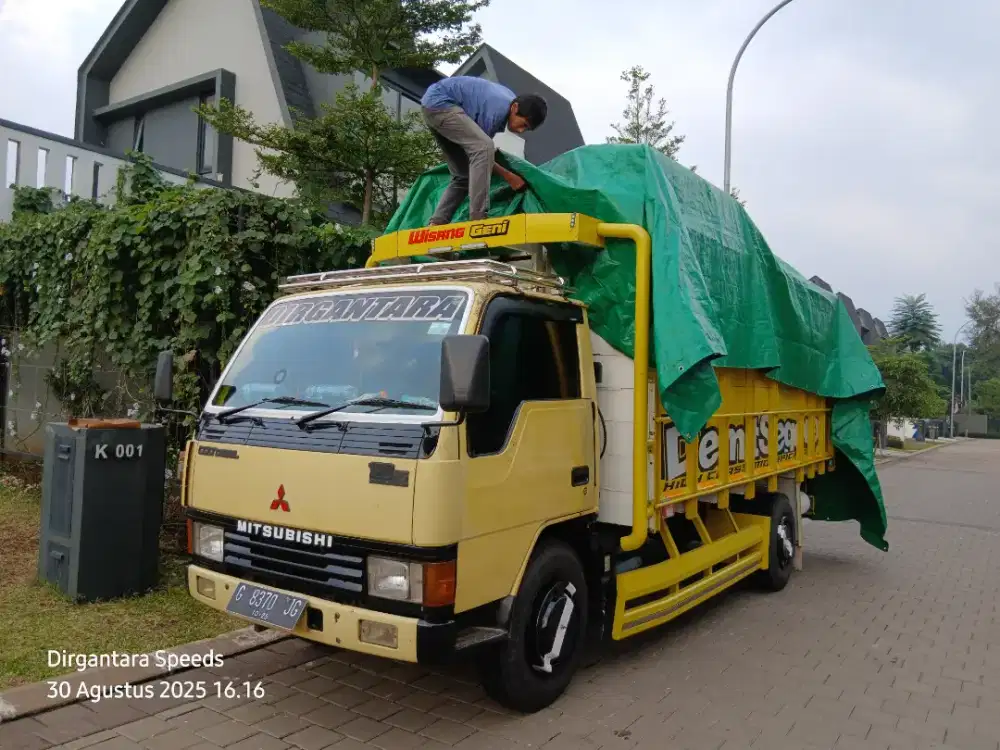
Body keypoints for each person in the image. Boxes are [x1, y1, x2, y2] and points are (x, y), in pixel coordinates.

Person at [420, 76, 548, 225]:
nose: (521, 130)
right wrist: (508, 176)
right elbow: (481, 153)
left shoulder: (507, 103)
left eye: (526, 129)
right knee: (483, 148)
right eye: (524, 124)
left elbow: (480, 154)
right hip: (442, 104)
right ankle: (478, 218)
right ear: (515, 108)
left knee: (463, 175)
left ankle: (437, 222)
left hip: (433, 106)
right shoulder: (495, 110)